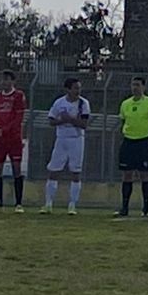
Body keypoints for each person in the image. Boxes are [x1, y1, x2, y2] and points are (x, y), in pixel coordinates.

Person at [115, 75, 148, 219]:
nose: (135, 87)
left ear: (144, 87)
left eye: (138, 85)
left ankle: (146, 208)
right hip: (129, 141)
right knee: (127, 174)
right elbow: (122, 121)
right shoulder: (125, 104)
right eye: (133, 85)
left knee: (144, 174)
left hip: (143, 142)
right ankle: (125, 207)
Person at [43, 76, 89, 213]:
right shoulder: (59, 103)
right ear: (68, 89)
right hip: (61, 139)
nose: (78, 91)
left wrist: (70, 119)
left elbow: (84, 124)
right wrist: (61, 121)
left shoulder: (83, 104)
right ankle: (48, 203)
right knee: (54, 171)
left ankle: (72, 205)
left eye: (79, 88)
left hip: (77, 139)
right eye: (75, 88)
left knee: (75, 172)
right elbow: (51, 121)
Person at [0, 71, 29, 211]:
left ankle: (18, 204)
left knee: (16, 168)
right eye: (2, 79)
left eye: (7, 79)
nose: (4, 82)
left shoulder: (18, 96)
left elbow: (18, 119)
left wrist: (3, 130)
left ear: (13, 81)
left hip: (13, 138)